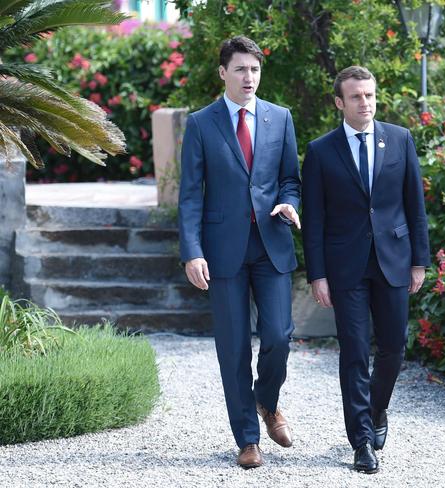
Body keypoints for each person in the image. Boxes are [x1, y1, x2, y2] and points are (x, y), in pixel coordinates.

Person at [178, 35, 301, 469]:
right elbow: (190, 195)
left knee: (279, 337)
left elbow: (290, 178)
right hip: (222, 251)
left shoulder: (279, 118)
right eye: (241, 69)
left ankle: (267, 402)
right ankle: (247, 439)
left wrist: (290, 203)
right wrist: (192, 251)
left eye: (255, 69)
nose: (249, 77)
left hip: (271, 245)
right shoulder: (201, 123)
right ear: (223, 73)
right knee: (232, 349)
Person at [301, 66, 431, 474]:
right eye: (356, 96)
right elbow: (315, 218)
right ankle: (361, 441)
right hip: (346, 266)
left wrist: (419, 261)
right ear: (340, 102)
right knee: (355, 352)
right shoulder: (321, 151)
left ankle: (376, 410)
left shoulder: (400, 139)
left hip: (394, 260)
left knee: (393, 348)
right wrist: (317, 274)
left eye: (370, 95)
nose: (365, 103)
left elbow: (415, 207)